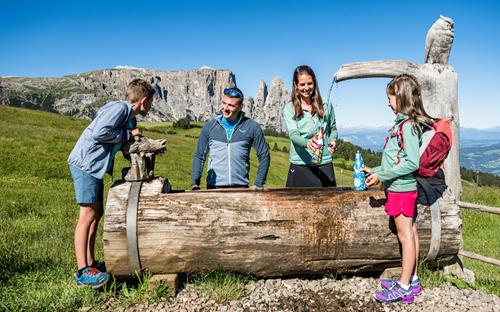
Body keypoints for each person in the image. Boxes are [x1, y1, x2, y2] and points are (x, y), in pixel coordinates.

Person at [68, 79, 155, 289]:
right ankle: (82, 272)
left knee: (96, 213)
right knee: (87, 216)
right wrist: (128, 134)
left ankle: (90, 264)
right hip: (86, 164)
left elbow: (124, 140)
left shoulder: (128, 117)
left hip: (93, 167)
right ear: (143, 100)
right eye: (151, 102)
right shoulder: (120, 109)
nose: (151, 107)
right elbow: (100, 133)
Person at [362, 74, 435, 303]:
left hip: (402, 189)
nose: (388, 102)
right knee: (410, 233)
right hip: (400, 188)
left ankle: (403, 286)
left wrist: (381, 175)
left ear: (401, 97)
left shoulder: (408, 127)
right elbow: (396, 159)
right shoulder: (403, 124)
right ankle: (412, 281)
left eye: (390, 97)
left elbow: (412, 162)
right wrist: (374, 169)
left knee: (405, 237)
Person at [191, 87, 270, 190]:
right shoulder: (210, 127)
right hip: (213, 188)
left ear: (241, 107)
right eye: (224, 103)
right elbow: (199, 156)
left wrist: (259, 183)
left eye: (231, 105)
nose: (226, 108)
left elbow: (264, 155)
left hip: (241, 188)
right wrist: (195, 183)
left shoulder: (252, 127)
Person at [283, 65, 338, 187]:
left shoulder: (326, 104)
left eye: (310, 83)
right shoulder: (289, 108)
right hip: (300, 164)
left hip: (325, 163)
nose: (306, 88)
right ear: (296, 86)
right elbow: (294, 135)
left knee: (329, 205)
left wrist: (333, 140)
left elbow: (333, 128)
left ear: (314, 83)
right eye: (302, 84)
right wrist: (307, 143)